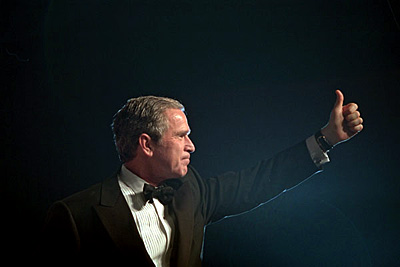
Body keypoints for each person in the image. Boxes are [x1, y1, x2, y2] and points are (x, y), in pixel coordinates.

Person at [41, 90, 363, 266]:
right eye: (181, 136)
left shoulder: (190, 191)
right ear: (146, 144)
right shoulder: (75, 214)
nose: (191, 146)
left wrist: (326, 139)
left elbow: (259, 181)